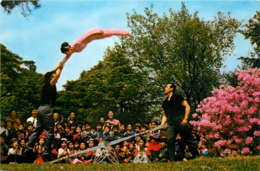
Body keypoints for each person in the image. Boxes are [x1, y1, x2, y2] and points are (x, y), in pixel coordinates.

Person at [24, 61, 64, 162]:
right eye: (53, 76)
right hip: (47, 109)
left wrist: (56, 67)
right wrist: (60, 69)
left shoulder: (45, 83)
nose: (54, 76)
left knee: (37, 130)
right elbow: (56, 77)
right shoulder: (50, 83)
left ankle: (28, 148)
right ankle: (46, 153)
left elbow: (50, 74)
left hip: (40, 109)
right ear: (51, 78)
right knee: (49, 132)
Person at [160, 83, 198, 162]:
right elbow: (164, 114)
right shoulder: (165, 102)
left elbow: (187, 106)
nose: (165, 88)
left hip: (180, 120)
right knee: (169, 140)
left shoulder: (178, 97)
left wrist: (185, 118)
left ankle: (196, 155)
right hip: (171, 123)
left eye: (166, 87)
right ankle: (172, 160)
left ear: (172, 89)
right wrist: (162, 123)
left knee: (187, 139)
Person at [60, 28, 133, 65]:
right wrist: (55, 69)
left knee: (112, 33)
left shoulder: (76, 43)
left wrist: (97, 32)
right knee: (111, 34)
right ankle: (126, 33)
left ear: (68, 48)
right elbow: (64, 60)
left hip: (94, 33)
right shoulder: (72, 51)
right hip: (94, 37)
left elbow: (87, 36)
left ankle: (127, 33)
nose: (68, 55)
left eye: (67, 53)